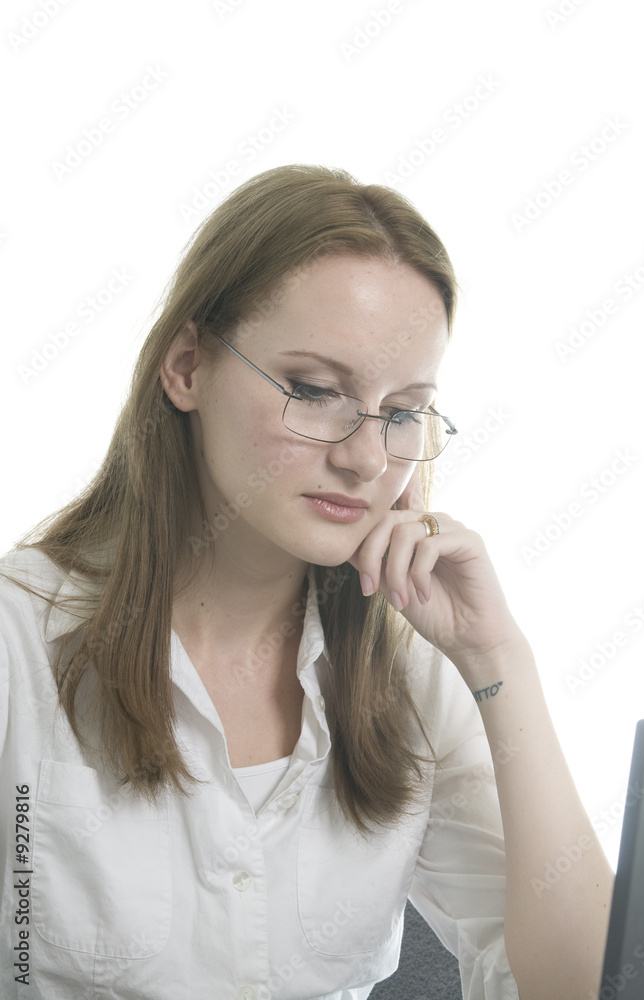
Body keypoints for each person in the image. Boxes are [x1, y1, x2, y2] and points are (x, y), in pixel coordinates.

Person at [0, 163, 612, 1000]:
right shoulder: (18, 641)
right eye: (318, 391)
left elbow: (579, 987)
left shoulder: (409, 674)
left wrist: (501, 662)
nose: (366, 458)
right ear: (186, 367)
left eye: (401, 412)